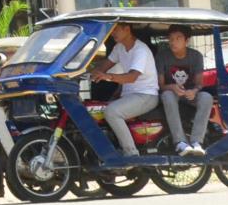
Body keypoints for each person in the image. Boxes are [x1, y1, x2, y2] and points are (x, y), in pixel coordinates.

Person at [90, 22, 160, 157]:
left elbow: (132, 77)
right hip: (129, 95)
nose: (113, 33)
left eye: (116, 30)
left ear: (127, 29)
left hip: (146, 95)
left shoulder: (141, 50)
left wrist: (108, 76)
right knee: (96, 110)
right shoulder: (119, 47)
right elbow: (104, 65)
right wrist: (85, 72)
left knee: (112, 112)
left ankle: (131, 153)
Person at [156, 27, 212, 157]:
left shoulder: (196, 56)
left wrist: (194, 90)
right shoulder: (162, 56)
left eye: (178, 38)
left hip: (190, 94)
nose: (173, 42)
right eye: (170, 39)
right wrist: (172, 87)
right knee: (167, 95)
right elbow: (161, 85)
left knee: (206, 97)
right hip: (171, 93)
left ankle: (197, 142)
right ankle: (180, 142)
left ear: (186, 41)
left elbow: (199, 83)